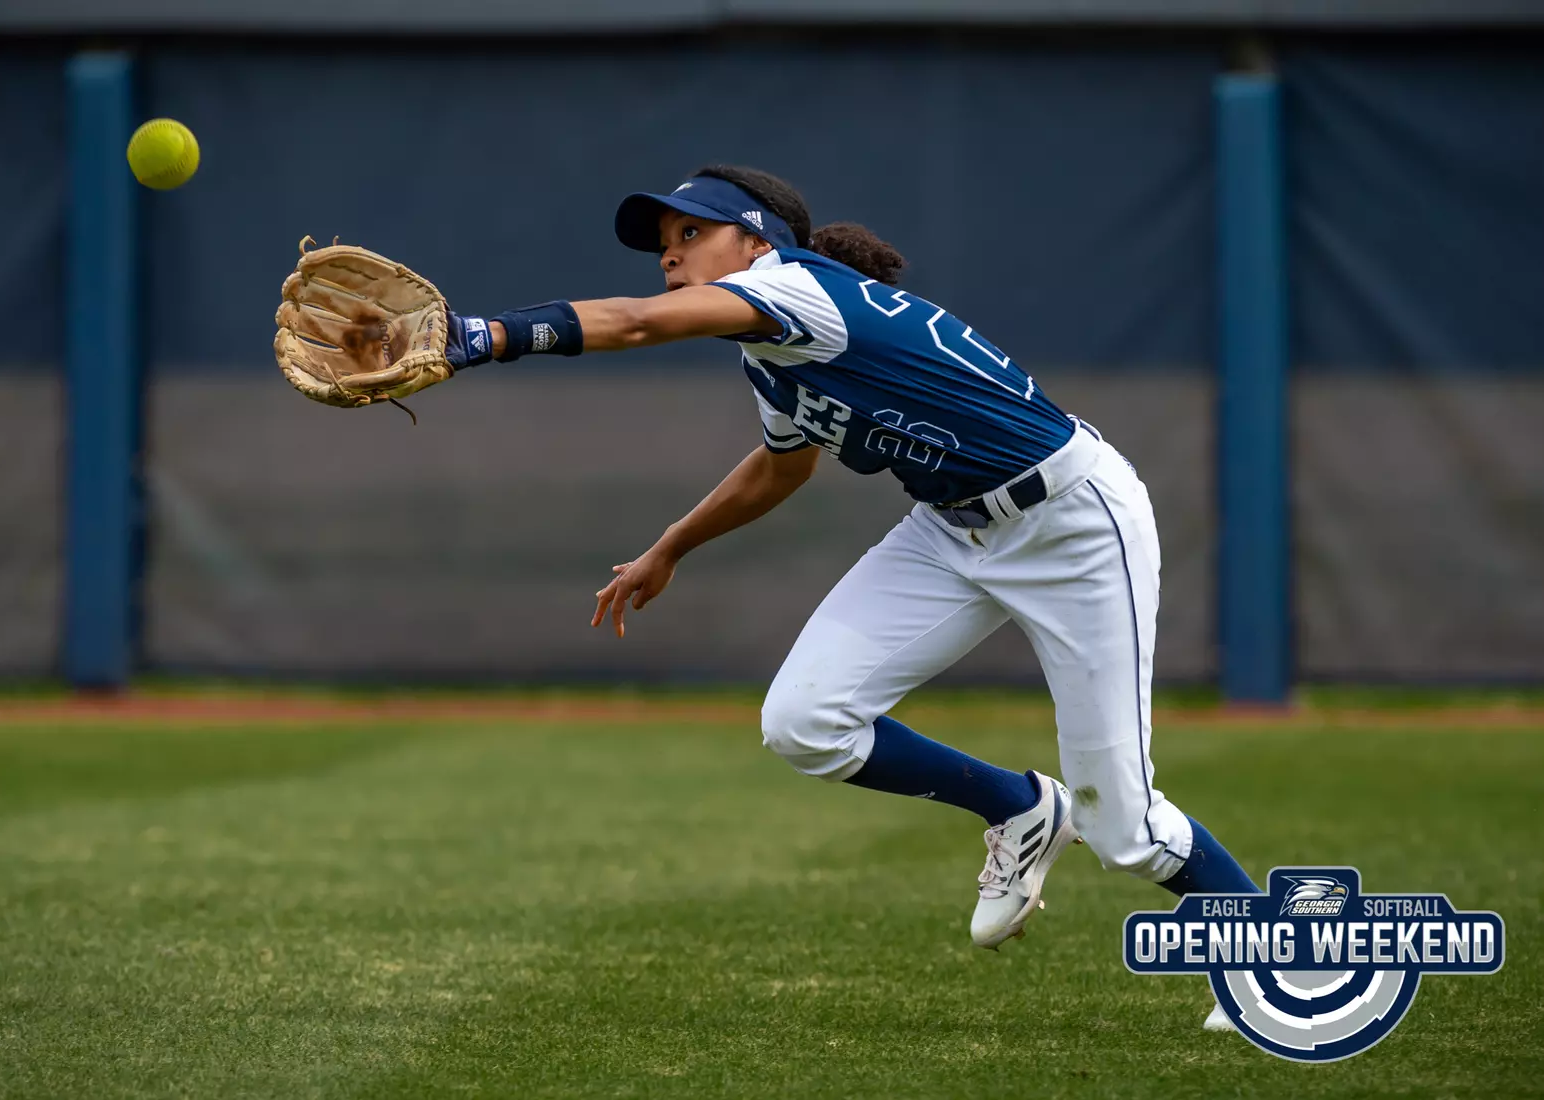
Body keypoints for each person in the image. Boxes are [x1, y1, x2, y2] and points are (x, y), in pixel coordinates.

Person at [437, 165, 1258, 1029]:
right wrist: (668, 548)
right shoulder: (773, 355)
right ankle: (1021, 808)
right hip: (950, 530)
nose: (669, 257)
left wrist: (489, 335)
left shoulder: (799, 290)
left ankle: (1280, 955)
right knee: (804, 721)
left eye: (691, 234)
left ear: (757, 243)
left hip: (1073, 524)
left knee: (1124, 824)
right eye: (663, 243)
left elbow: (638, 325)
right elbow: (782, 466)